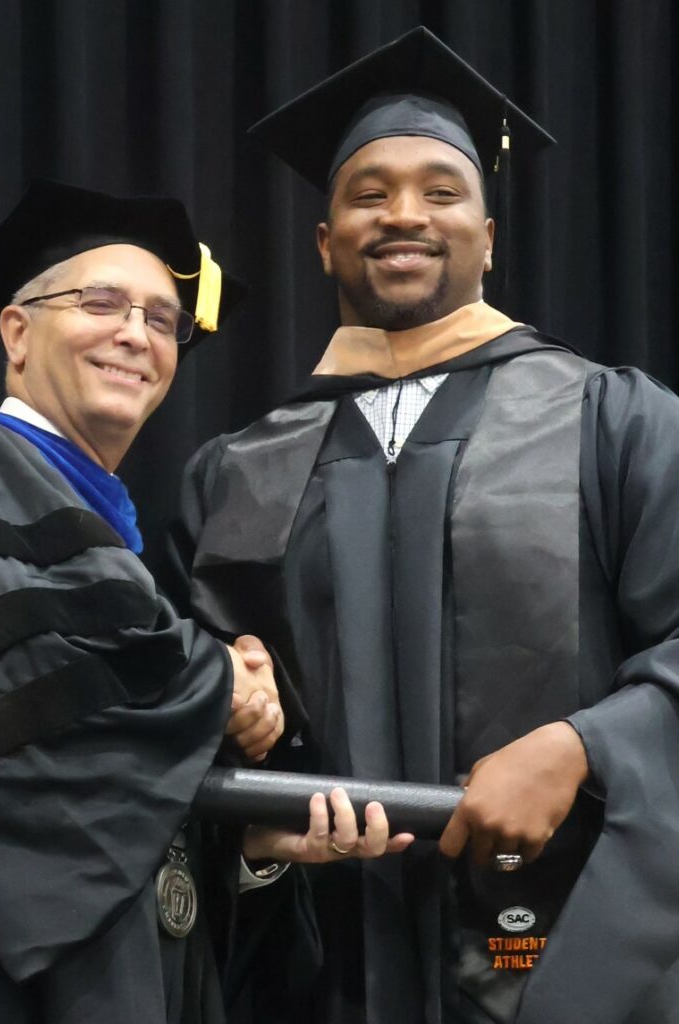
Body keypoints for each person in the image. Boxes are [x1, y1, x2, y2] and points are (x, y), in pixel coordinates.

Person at [166, 27, 679, 1024]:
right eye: (368, 193)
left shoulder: (615, 421)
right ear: (326, 240)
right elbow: (189, 725)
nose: (404, 214)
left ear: (490, 236)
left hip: (571, 967)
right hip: (322, 978)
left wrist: (584, 745)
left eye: (443, 191)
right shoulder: (237, 471)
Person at [0, 179, 284, 1024]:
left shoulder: (110, 541)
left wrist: (253, 839)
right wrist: (222, 680)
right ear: (18, 331)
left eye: (162, 318)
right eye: (100, 301)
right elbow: (33, 682)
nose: (134, 334)